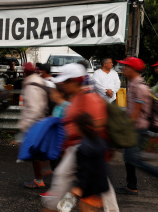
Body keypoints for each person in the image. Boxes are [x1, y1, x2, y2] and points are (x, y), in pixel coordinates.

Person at [41, 63, 118, 212]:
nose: (62, 85)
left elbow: (97, 127)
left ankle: (51, 206)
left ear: (74, 81)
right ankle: (51, 206)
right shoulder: (77, 97)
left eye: (65, 82)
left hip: (87, 149)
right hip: (79, 148)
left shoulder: (89, 99)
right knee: (70, 177)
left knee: (99, 183)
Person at [115, 57, 158, 195]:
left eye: (125, 67)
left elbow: (135, 114)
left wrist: (123, 128)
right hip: (134, 128)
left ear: (132, 69)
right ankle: (131, 186)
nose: (123, 69)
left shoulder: (140, 87)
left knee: (131, 158)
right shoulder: (133, 84)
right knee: (128, 158)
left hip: (137, 129)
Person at [60, 113, 109, 212]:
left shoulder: (83, 148)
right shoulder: (100, 141)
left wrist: (79, 187)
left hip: (89, 189)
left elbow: (85, 171)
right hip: (101, 186)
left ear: (79, 128)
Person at [17, 62, 49, 188]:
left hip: (36, 123)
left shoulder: (30, 85)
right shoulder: (40, 81)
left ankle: (39, 180)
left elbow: (33, 108)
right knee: (40, 152)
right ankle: (46, 170)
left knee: (35, 153)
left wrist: (25, 126)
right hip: (44, 120)